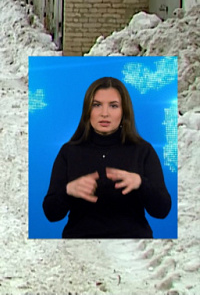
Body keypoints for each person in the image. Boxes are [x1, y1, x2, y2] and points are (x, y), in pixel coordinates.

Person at [42, 76, 172, 238]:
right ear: (87, 111)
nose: (104, 113)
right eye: (96, 105)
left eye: (113, 106)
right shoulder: (68, 152)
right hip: (79, 244)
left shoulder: (143, 150)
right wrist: (68, 191)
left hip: (133, 245)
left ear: (124, 111)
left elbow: (162, 210)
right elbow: (51, 214)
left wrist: (140, 183)